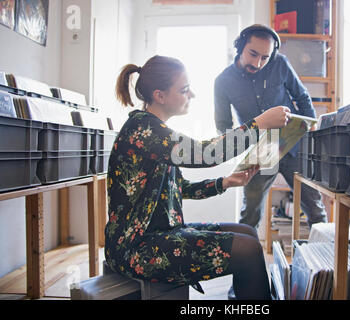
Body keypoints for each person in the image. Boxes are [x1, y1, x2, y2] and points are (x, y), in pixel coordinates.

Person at [104, 55, 291, 300]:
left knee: (248, 234)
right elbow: (206, 154)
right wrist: (259, 124)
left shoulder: (155, 130)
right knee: (248, 249)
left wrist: (225, 182)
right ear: (160, 95)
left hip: (161, 233)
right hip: (134, 248)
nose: (191, 94)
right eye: (184, 90)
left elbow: (179, 189)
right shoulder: (144, 130)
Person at [214, 24, 327, 230]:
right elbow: (223, 127)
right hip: (259, 151)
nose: (258, 63)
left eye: (265, 58)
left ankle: (324, 261)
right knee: (249, 216)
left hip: (294, 145)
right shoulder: (222, 81)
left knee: (315, 209)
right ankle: (248, 261)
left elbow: (302, 98)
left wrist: (310, 130)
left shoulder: (281, 64)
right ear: (240, 47)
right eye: (253, 54)